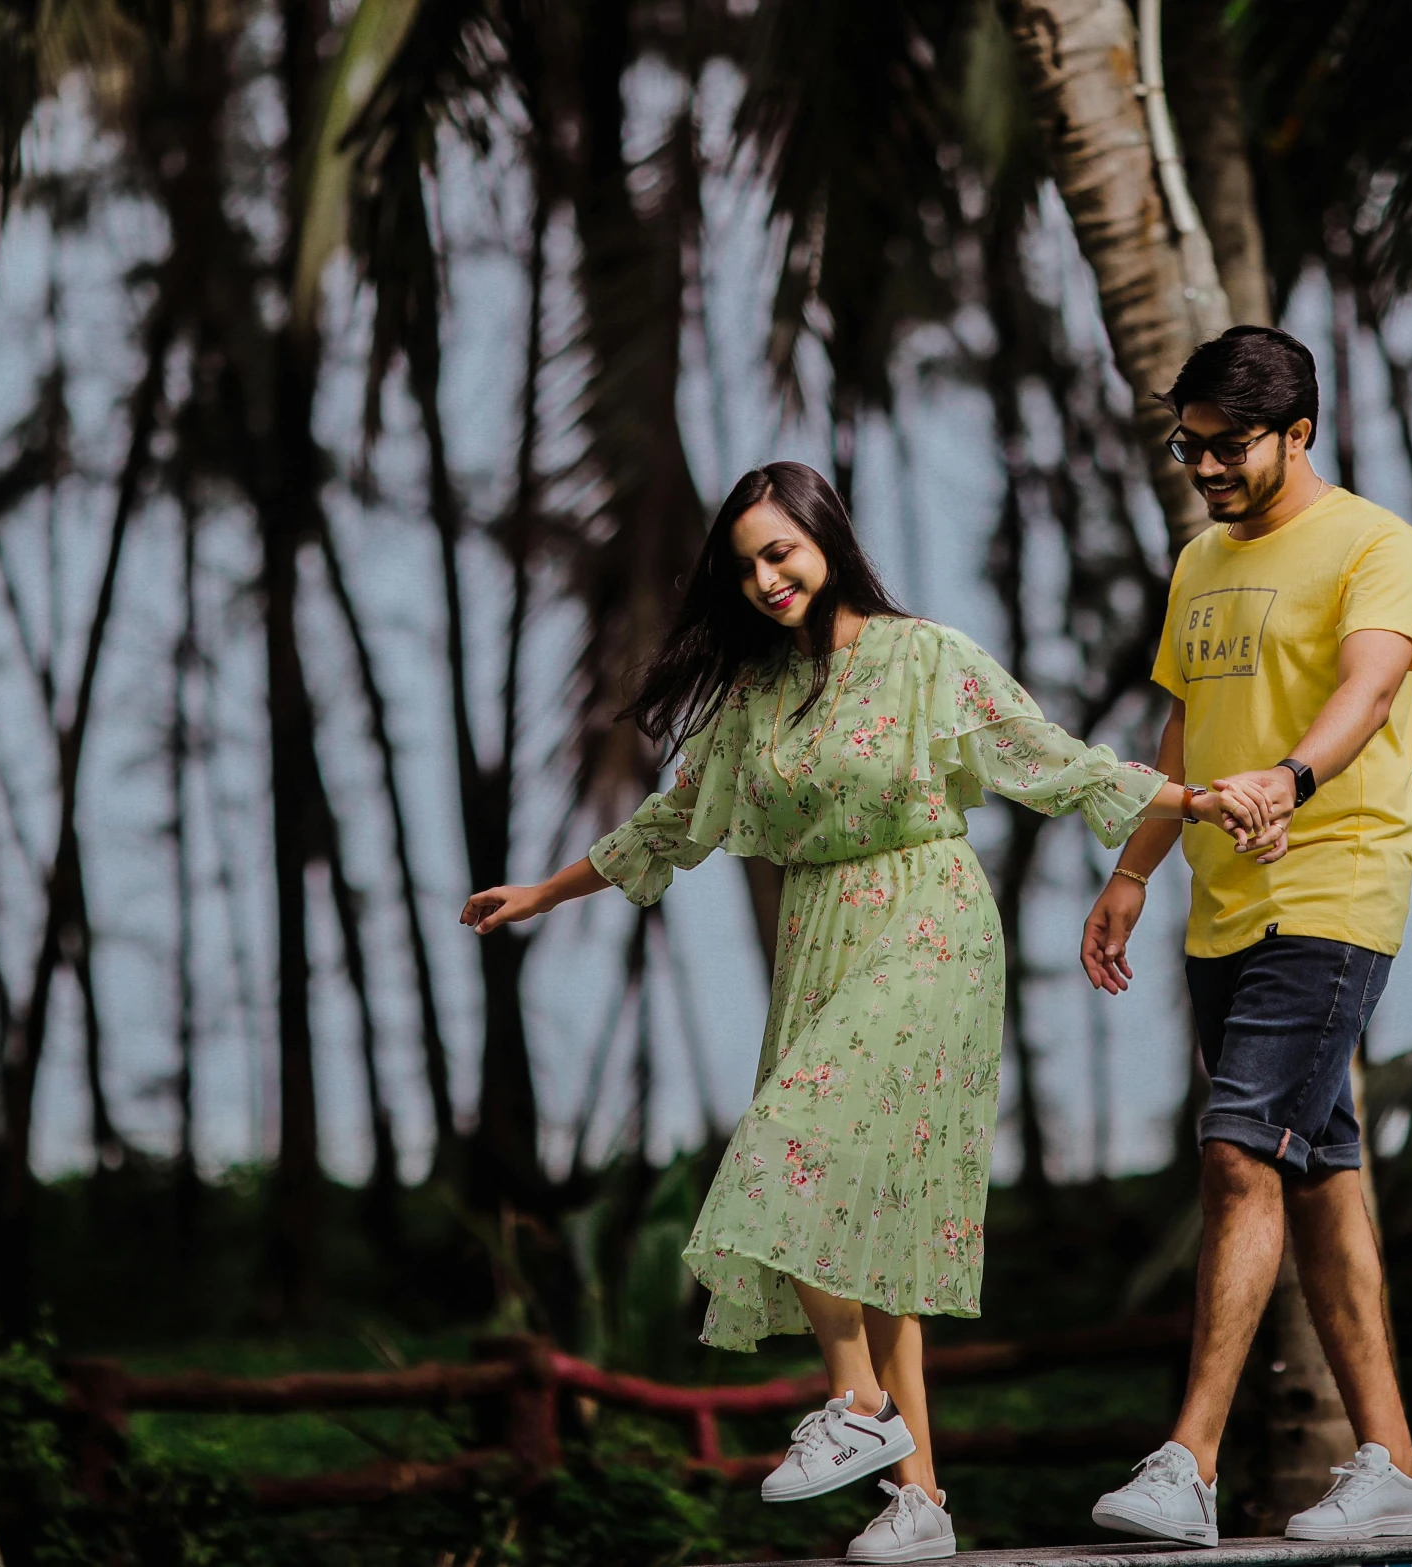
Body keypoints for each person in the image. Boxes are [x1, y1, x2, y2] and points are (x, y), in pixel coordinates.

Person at [463, 461, 1274, 1564]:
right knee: (865, 1230)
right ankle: (918, 1499)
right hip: (816, 937)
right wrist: (542, 893)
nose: (764, 578)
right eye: (745, 564)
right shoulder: (754, 697)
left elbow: (1051, 761)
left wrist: (1192, 798)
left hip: (926, 922)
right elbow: (671, 826)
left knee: (787, 1150)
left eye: (780, 552)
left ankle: (853, 1407)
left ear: (826, 540)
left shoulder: (923, 656)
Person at [1079, 326, 1412, 1546]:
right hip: (1221, 907)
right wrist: (1133, 866)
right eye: (1189, 447)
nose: (1207, 467)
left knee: (1239, 1156)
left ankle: (1188, 1461)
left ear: (1298, 432)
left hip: (1331, 888)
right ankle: (1393, 1463)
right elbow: (1180, 728)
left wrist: (1290, 776)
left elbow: (1369, 686)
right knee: (1323, 1179)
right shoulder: (1196, 563)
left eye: (1229, 446)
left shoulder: (1376, 543)